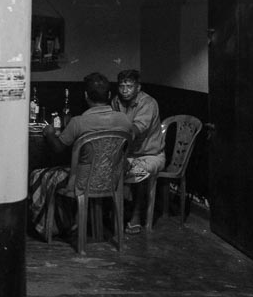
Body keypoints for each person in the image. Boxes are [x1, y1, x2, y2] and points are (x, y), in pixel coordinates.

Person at [28, 72, 132, 240]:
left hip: (81, 183)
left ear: (85, 96)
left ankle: (51, 227)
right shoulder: (124, 120)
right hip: (112, 179)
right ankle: (74, 222)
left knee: (38, 175)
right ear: (110, 95)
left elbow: (58, 148)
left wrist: (49, 133)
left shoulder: (78, 122)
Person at [112, 69, 165, 234]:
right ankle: (115, 215)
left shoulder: (148, 103)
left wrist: (122, 136)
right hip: (127, 152)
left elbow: (137, 128)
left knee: (137, 171)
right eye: (122, 86)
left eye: (129, 86)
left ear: (138, 87)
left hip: (151, 155)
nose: (125, 90)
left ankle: (136, 216)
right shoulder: (116, 101)